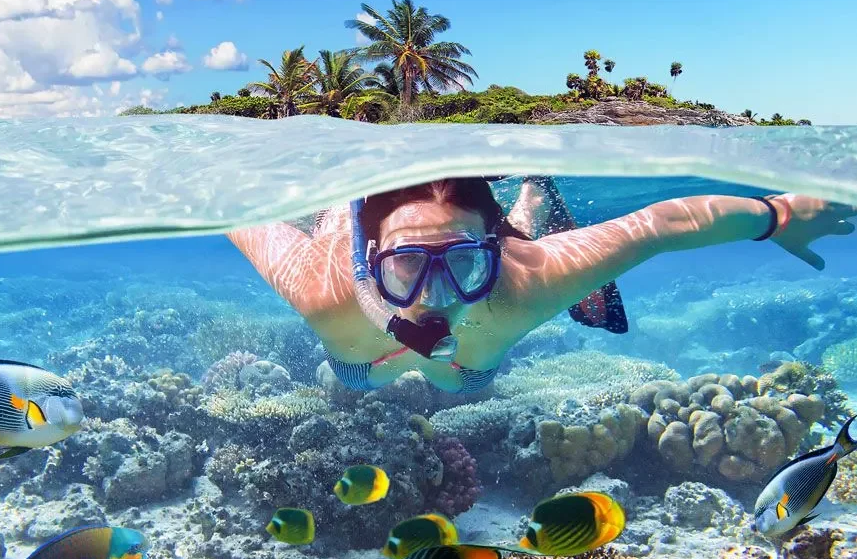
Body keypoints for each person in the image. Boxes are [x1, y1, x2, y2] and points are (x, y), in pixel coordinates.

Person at [226, 176, 856, 394]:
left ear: (491, 251)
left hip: (471, 367)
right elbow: (234, 210)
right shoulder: (321, 286)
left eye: (466, 263)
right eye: (408, 263)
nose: (435, 297)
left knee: (456, 376)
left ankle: (529, 202)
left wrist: (778, 216)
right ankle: (528, 203)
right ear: (370, 258)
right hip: (362, 362)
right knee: (366, 372)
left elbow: (659, 225)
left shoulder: (523, 281)